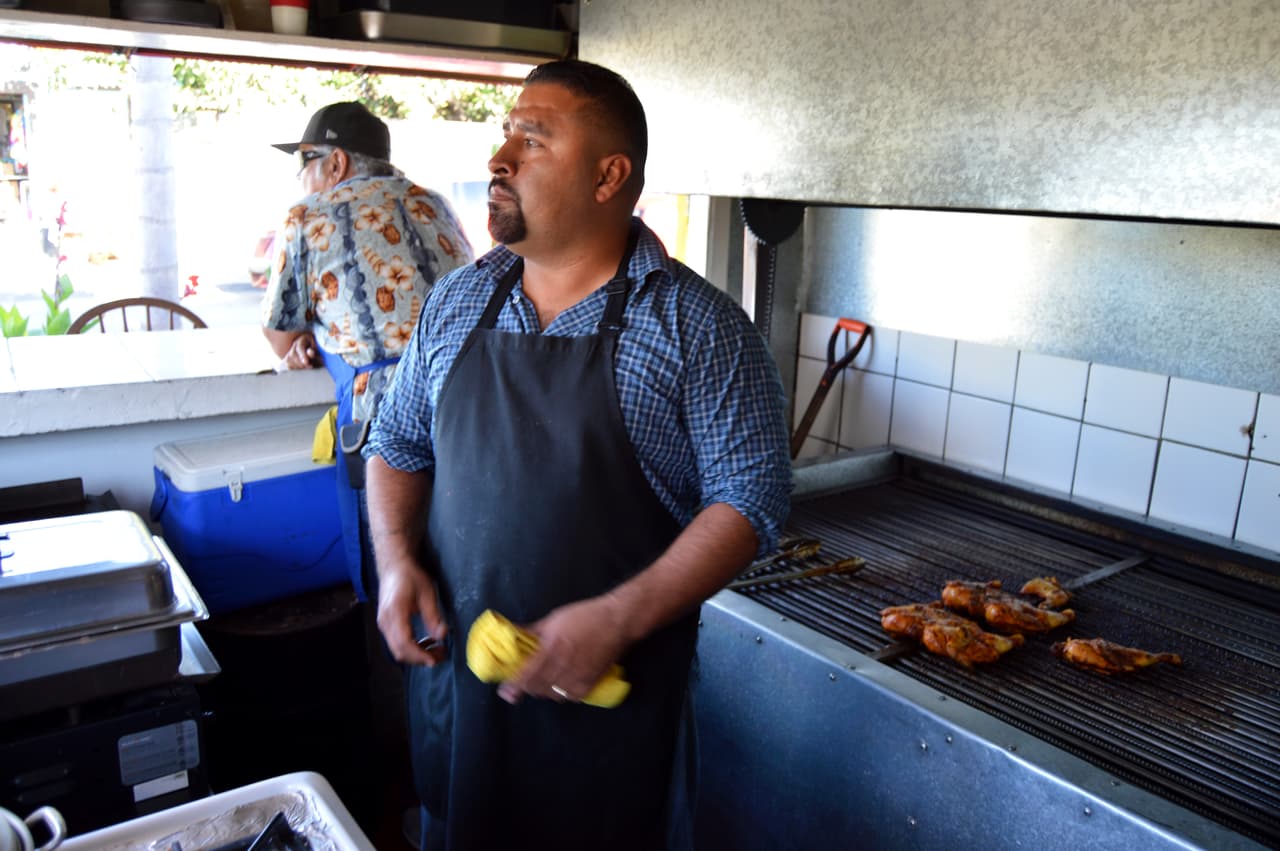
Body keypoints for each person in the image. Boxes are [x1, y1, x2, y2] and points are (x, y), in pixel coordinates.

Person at [363, 60, 792, 850]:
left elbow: (750, 502)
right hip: (462, 702)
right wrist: (394, 558)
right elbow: (396, 443)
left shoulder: (699, 328)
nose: (501, 158)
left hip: (610, 723)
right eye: (505, 135)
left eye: (533, 138)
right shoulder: (459, 300)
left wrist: (617, 615)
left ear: (608, 176)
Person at [260, 101, 474, 600]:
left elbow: (280, 337)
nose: (301, 178)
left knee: (396, 575)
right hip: (470, 402)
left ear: (336, 163)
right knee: (462, 563)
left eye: (304, 163)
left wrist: (311, 336)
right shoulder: (436, 204)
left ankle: (402, 671)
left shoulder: (307, 217)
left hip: (385, 417)